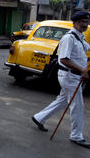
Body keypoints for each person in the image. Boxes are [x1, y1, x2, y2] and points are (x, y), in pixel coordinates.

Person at [32, 11, 90, 148]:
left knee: (62, 101)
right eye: (82, 22)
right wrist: (82, 70)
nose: (85, 24)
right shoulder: (69, 38)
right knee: (77, 106)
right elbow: (63, 59)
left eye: (86, 22)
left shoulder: (80, 37)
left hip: (73, 76)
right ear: (74, 22)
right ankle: (76, 136)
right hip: (70, 76)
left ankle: (39, 118)